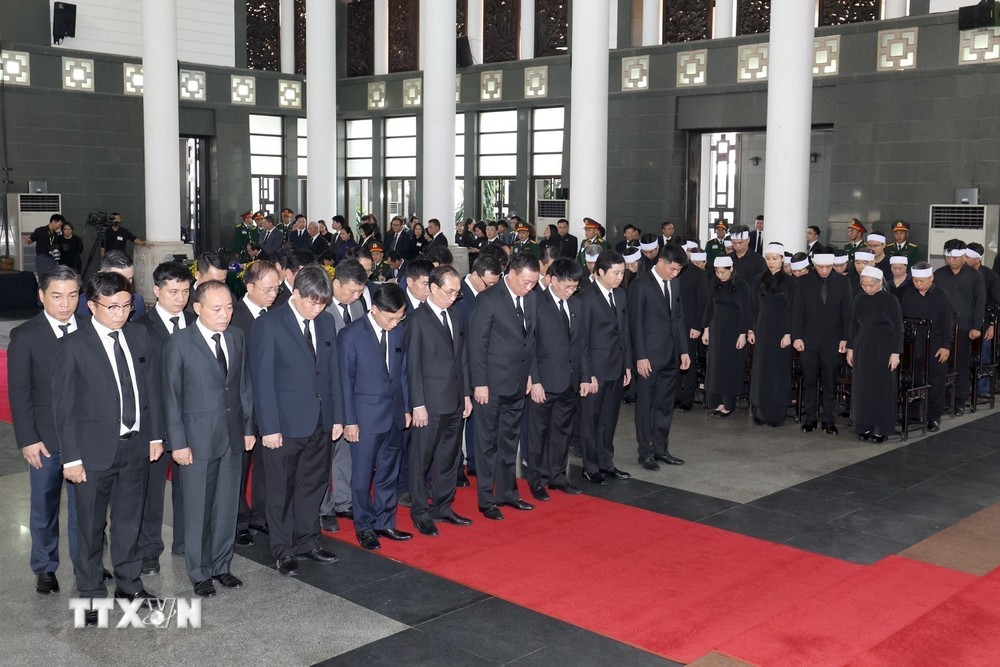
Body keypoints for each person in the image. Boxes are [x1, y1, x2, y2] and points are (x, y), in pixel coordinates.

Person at [53, 271, 164, 626]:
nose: (121, 313)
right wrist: (70, 459)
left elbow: (151, 391)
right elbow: (64, 408)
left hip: (135, 446)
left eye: (127, 305)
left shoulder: (139, 334)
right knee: (89, 525)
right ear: (92, 306)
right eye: (112, 306)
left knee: (129, 521)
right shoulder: (74, 345)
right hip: (91, 453)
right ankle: (89, 593)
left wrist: (155, 436)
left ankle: (129, 584)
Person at [250, 266, 345, 576]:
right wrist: (269, 427)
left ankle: (307, 540)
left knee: (312, 484)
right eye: (312, 302)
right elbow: (262, 380)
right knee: (280, 489)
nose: (317, 309)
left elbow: (333, 375)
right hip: (284, 424)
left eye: (322, 303)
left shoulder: (327, 322)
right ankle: (282, 549)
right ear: (295, 292)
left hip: (320, 420)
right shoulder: (270, 324)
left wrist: (338, 417)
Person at [162, 281, 254, 598]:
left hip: (231, 435)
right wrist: (179, 443)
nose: (225, 314)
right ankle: (199, 571)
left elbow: (243, 386)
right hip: (196, 440)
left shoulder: (237, 336)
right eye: (217, 309)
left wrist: (248, 428)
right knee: (198, 508)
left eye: (229, 307)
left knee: (227, 506)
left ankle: (221, 565)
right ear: (197, 308)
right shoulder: (179, 344)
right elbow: (171, 399)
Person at [9, 265, 87, 595]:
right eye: (57, 296)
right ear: (42, 296)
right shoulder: (25, 336)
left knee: (87, 507)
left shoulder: (89, 328)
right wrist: (28, 439)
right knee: (44, 506)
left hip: (85, 438)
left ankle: (88, 563)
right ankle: (44, 566)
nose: (65, 304)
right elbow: (20, 392)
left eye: (72, 296)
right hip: (45, 438)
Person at [338, 283, 412, 550]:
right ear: (374, 310)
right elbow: (345, 381)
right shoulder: (351, 334)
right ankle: (365, 526)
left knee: (389, 472)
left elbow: (402, 373)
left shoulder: (399, 330)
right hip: (364, 418)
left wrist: (406, 408)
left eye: (400, 317)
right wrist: (350, 420)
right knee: (361, 477)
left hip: (393, 414)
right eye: (390, 317)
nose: (395, 322)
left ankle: (385, 521)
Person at [468, 252, 540, 520]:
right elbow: (477, 346)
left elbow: (530, 341)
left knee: (509, 441)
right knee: (487, 443)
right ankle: (487, 499)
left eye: (534, 282)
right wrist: (480, 383)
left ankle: (508, 493)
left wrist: (530, 375)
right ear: (511, 274)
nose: (529, 287)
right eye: (526, 282)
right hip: (491, 384)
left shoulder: (531, 299)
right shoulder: (487, 300)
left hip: (517, 381)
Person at [136, 261, 196, 575]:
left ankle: (186, 543)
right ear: (156, 291)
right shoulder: (141, 329)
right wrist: (151, 433)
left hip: (190, 422)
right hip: (155, 424)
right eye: (173, 291)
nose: (180, 298)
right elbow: (143, 385)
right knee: (152, 491)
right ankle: (148, 550)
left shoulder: (195, 320)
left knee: (189, 487)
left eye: (186, 291)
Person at [406, 266, 474, 536]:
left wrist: (466, 393)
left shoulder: (456, 316)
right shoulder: (416, 320)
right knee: (421, 459)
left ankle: (443, 506)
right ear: (433, 288)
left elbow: (463, 359)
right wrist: (417, 404)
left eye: (457, 292)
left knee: (449, 456)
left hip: (455, 400)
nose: (454, 297)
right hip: (429, 404)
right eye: (450, 292)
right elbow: (411, 367)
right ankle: (420, 511)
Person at [526, 259, 591, 500]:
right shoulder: (535, 302)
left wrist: (585, 377)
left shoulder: (577, 304)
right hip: (544, 382)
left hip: (569, 382)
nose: (571, 291)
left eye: (574, 287)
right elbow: (529, 346)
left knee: (562, 432)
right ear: (552, 279)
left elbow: (582, 344)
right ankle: (538, 480)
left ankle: (558, 476)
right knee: (539, 434)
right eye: (567, 286)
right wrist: (535, 380)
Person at [230, 260, 281, 547]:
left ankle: (261, 515)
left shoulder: (274, 315)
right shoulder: (234, 317)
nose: (273, 293)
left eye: (277, 287)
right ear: (249, 287)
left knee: (266, 464)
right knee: (240, 466)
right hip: (242, 405)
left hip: (270, 405)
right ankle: (238, 520)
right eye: (267, 288)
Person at [318, 259, 369, 533]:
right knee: (326, 452)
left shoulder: (358, 306)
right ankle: (324, 508)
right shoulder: (321, 308)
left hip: (352, 389)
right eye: (351, 291)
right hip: (328, 390)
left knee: (347, 450)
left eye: (360, 292)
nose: (356, 297)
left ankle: (344, 501)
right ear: (335, 283)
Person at [628, 243, 690, 470]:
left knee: (665, 405)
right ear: (660, 262)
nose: (676, 274)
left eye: (679, 270)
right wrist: (640, 357)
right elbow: (635, 324)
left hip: (671, 355)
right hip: (649, 358)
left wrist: (684, 350)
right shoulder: (640, 285)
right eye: (673, 269)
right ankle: (645, 452)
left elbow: (679, 318)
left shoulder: (675, 283)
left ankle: (661, 449)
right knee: (645, 406)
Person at [576, 250, 633, 484]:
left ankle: (606, 462)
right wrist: (587, 374)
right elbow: (582, 341)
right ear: (599, 272)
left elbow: (624, 333)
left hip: (616, 367)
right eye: (616, 273)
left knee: (609, 419)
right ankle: (590, 466)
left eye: (622, 272)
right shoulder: (585, 298)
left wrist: (627, 365)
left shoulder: (620, 295)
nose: (620, 277)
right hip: (595, 371)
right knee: (591, 420)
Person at [792, 253, 853, 434]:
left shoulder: (843, 282)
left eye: (828, 267)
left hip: (833, 341)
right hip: (809, 340)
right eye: (820, 267)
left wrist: (845, 338)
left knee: (830, 382)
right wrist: (797, 336)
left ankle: (828, 419)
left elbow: (847, 313)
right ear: (814, 265)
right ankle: (810, 418)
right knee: (810, 380)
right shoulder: (804, 281)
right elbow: (798, 310)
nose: (824, 270)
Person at [847, 266, 903, 444]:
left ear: (880, 283)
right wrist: (851, 348)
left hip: (883, 350)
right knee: (862, 389)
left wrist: (895, 353)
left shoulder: (890, 300)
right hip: (863, 348)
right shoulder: (859, 299)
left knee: (881, 389)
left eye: (872, 285)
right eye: (864, 285)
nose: (868, 288)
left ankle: (881, 428)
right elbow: (854, 325)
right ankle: (863, 425)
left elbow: (897, 328)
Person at [899, 262, 954, 432]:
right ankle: (912, 415)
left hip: (935, 345)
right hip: (912, 344)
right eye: (915, 281)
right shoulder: (908, 294)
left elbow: (947, 322)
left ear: (931, 278)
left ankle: (933, 417)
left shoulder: (941, 295)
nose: (919, 284)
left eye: (922, 281)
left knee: (935, 381)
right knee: (912, 380)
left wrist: (946, 346)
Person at [934, 239, 986, 415]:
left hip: (964, 327)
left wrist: (976, 326)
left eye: (956, 258)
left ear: (964, 256)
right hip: (941, 328)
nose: (952, 261)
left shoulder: (974, 275)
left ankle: (959, 400)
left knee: (960, 364)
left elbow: (980, 302)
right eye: (948, 257)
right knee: (941, 364)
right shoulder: (939, 274)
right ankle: (941, 399)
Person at [748, 245, 796, 426]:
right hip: (762, 330)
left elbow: (794, 310)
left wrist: (789, 333)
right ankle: (759, 412)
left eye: (774, 258)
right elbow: (753, 307)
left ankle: (776, 414)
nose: (771, 262)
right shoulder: (757, 280)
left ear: (782, 259)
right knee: (761, 371)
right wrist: (751, 329)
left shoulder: (790, 282)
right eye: (768, 258)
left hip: (781, 332)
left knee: (778, 371)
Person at [701, 256, 751, 417]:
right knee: (716, 367)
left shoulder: (742, 285)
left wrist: (743, 333)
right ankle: (717, 402)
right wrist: (706, 329)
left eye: (723, 272)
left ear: (731, 269)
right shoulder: (713, 283)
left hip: (734, 331)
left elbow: (746, 311)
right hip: (717, 329)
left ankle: (728, 404)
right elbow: (709, 306)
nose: (720, 275)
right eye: (717, 272)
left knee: (730, 367)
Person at [676, 248, 709, 411]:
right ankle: (674, 396)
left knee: (688, 362)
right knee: (673, 361)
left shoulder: (699, 274)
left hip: (690, 326)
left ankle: (687, 398)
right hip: (673, 324)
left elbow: (702, 302)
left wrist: (698, 326)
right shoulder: (674, 272)